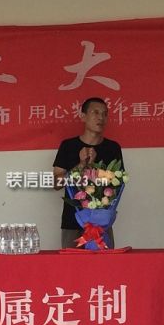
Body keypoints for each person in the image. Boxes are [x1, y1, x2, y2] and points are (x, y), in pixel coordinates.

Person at [53, 98, 123, 249]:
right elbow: (56, 183)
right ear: (83, 116)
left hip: (102, 225)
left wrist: (96, 170)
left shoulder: (113, 148)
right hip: (73, 222)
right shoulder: (68, 146)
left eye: (104, 114)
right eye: (95, 112)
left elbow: (117, 185)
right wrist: (81, 165)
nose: (101, 117)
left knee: (105, 264)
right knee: (71, 264)